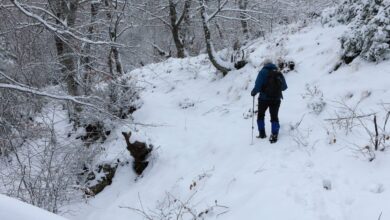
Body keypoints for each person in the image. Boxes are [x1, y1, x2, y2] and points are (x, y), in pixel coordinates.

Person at [251, 59, 287, 143]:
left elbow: (258, 86)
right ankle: (274, 135)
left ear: (265, 64)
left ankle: (262, 133)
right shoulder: (278, 72)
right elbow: (284, 87)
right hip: (276, 99)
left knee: (260, 115)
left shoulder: (262, 72)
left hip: (264, 99)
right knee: (274, 116)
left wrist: (253, 92)